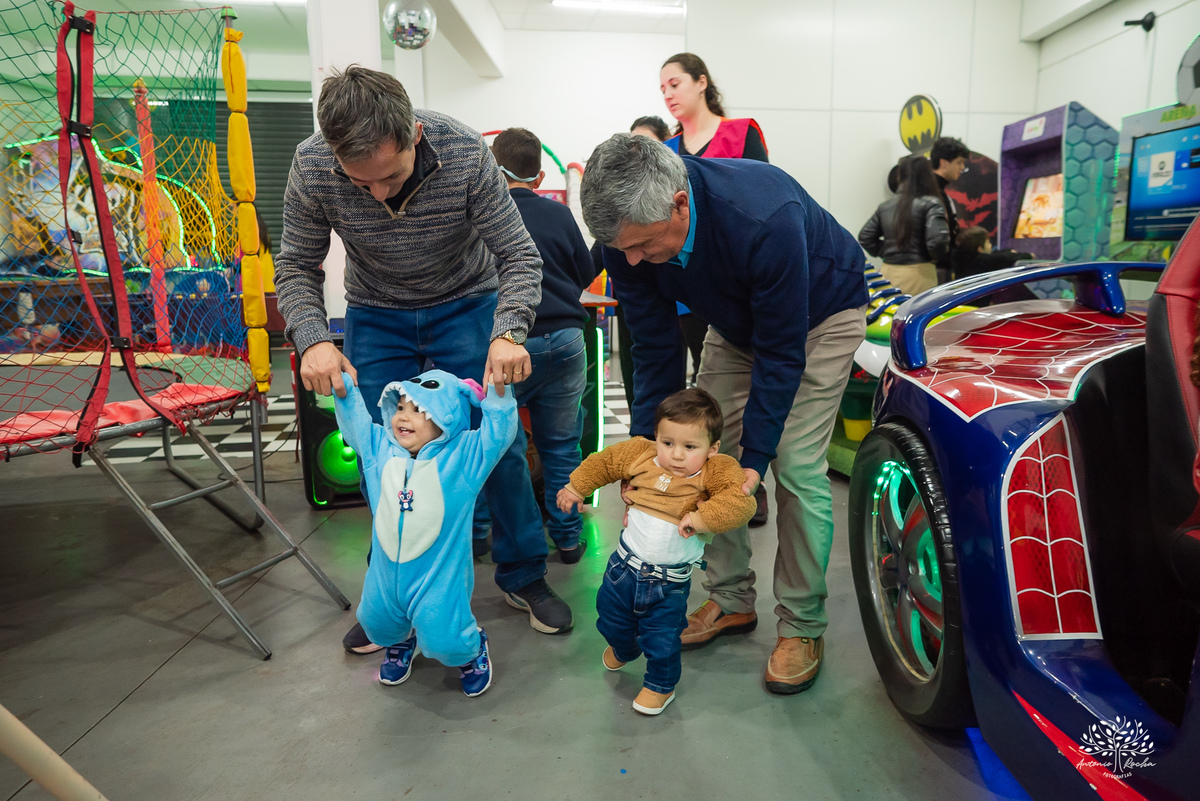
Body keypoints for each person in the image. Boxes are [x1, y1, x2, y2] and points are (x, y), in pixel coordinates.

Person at [273, 66, 574, 650]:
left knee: (499, 445)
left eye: (388, 176)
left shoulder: (463, 151)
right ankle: (389, 596)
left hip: (465, 304)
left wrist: (508, 331)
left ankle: (523, 576)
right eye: (361, 184)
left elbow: (518, 255)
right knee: (381, 455)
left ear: (412, 135)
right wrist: (311, 338)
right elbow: (295, 265)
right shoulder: (312, 165)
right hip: (376, 313)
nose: (378, 193)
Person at [580, 134, 867, 695]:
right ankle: (732, 599)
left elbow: (784, 352)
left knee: (795, 464)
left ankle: (802, 626)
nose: (631, 260)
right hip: (735, 326)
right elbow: (655, 346)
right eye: (622, 249)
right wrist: (647, 451)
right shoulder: (626, 235)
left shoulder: (763, 214)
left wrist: (754, 461)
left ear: (679, 205)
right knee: (699, 454)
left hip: (820, 318)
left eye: (642, 245)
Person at [557, 388, 757, 715]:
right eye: (668, 443)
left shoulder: (716, 471)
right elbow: (604, 463)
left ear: (713, 448)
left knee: (663, 641)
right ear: (656, 436)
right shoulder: (640, 453)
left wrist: (702, 517)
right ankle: (624, 646)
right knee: (609, 620)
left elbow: (741, 503)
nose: (676, 455)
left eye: (690, 447)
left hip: (668, 584)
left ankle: (660, 687)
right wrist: (576, 486)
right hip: (622, 569)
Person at [333, 368, 515, 696]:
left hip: (438, 579)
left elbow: (498, 436)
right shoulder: (379, 448)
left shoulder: (464, 457)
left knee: (447, 638)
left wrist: (499, 396)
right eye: (400, 407)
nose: (404, 416)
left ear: (446, 417)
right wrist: (342, 386)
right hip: (385, 576)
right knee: (376, 622)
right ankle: (401, 641)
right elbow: (356, 423)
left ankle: (472, 652)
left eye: (419, 411)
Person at [659, 52, 771, 528]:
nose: (667, 93)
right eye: (661, 87)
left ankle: (752, 484)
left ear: (702, 82)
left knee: (757, 386)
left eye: (675, 82)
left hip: (745, 286)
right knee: (711, 395)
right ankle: (714, 484)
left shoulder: (742, 132)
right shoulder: (666, 150)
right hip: (691, 292)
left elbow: (764, 195)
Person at [488, 127, 598, 564]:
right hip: (568, 341)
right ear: (538, 178)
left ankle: (487, 538)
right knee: (561, 445)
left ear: (492, 171)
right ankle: (568, 539)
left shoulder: (483, 215)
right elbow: (585, 271)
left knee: (499, 447)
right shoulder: (558, 214)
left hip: (508, 345)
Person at [857, 155, 950, 297]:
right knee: (917, 317)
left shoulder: (886, 206)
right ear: (927, 174)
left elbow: (865, 237)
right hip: (920, 274)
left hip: (887, 273)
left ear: (901, 174)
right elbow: (938, 241)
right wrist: (932, 257)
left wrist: (888, 251)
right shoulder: (931, 203)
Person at [949, 226, 1036, 305]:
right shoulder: (981, 262)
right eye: (988, 243)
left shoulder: (962, 260)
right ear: (980, 249)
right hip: (976, 309)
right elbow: (1002, 258)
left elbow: (995, 255)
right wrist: (1029, 255)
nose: (990, 246)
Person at [930, 136, 971, 283]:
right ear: (943, 162)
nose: (962, 168)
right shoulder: (932, 194)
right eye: (959, 162)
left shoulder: (936, 191)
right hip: (935, 270)